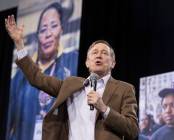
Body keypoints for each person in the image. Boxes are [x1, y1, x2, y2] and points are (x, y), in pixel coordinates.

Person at [5, 15, 138, 140]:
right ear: (87, 62)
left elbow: (132, 130)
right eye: (94, 53)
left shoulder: (124, 89)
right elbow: (37, 78)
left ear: (113, 63)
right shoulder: (71, 85)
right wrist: (19, 44)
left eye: (104, 53)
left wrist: (104, 109)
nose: (99, 55)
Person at [6, 2, 78, 140]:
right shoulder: (21, 77)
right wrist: (19, 44)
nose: (48, 34)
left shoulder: (72, 63)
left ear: (62, 30)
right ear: (37, 35)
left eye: (54, 26)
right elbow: (9, 122)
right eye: (43, 29)